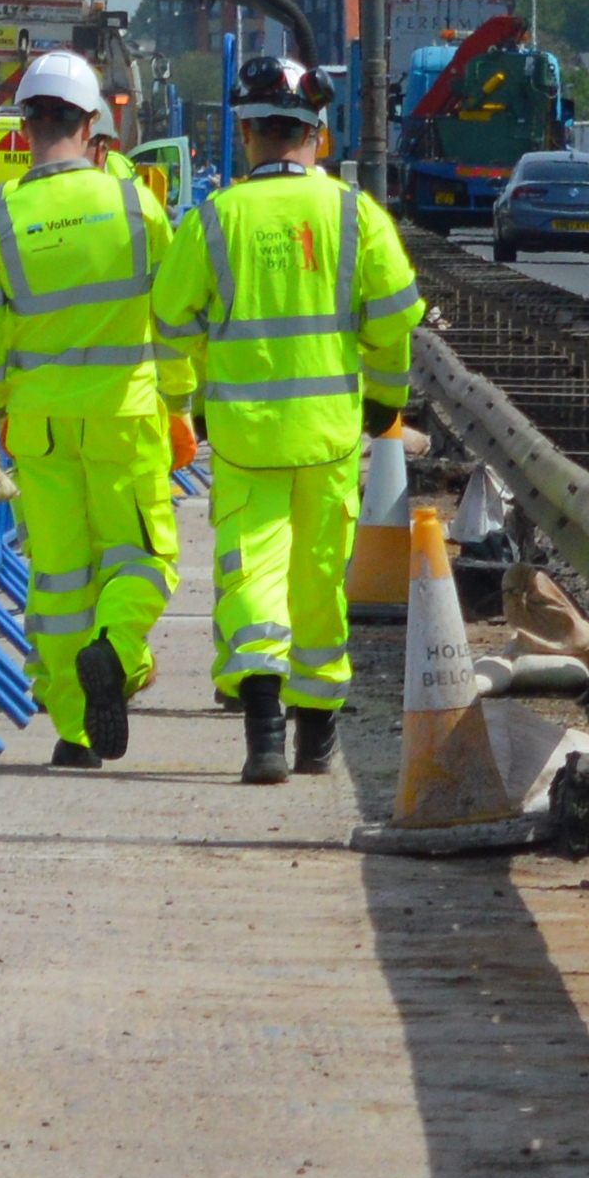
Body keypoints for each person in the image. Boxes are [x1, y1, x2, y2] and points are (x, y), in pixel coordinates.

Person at [151, 56, 420, 786]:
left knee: (252, 576)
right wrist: (386, 397)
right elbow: (396, 316)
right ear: (319, 137)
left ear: (245, 137)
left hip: (244, 441)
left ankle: (264, 732)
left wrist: (186, 402)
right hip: (330, 437)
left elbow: (169, 322)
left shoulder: (215, 218)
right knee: (321, 582)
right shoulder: (353, 213)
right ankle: (317, 737)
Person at [0, 50, 168, 764]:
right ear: (94, 123)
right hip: (124, 415)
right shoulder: (134, 203)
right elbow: (178, 309)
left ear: (25, 126)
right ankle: (117, 646)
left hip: (36, 424)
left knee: (60, 577)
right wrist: (185, 401)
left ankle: (74, 732)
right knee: (143, 558)